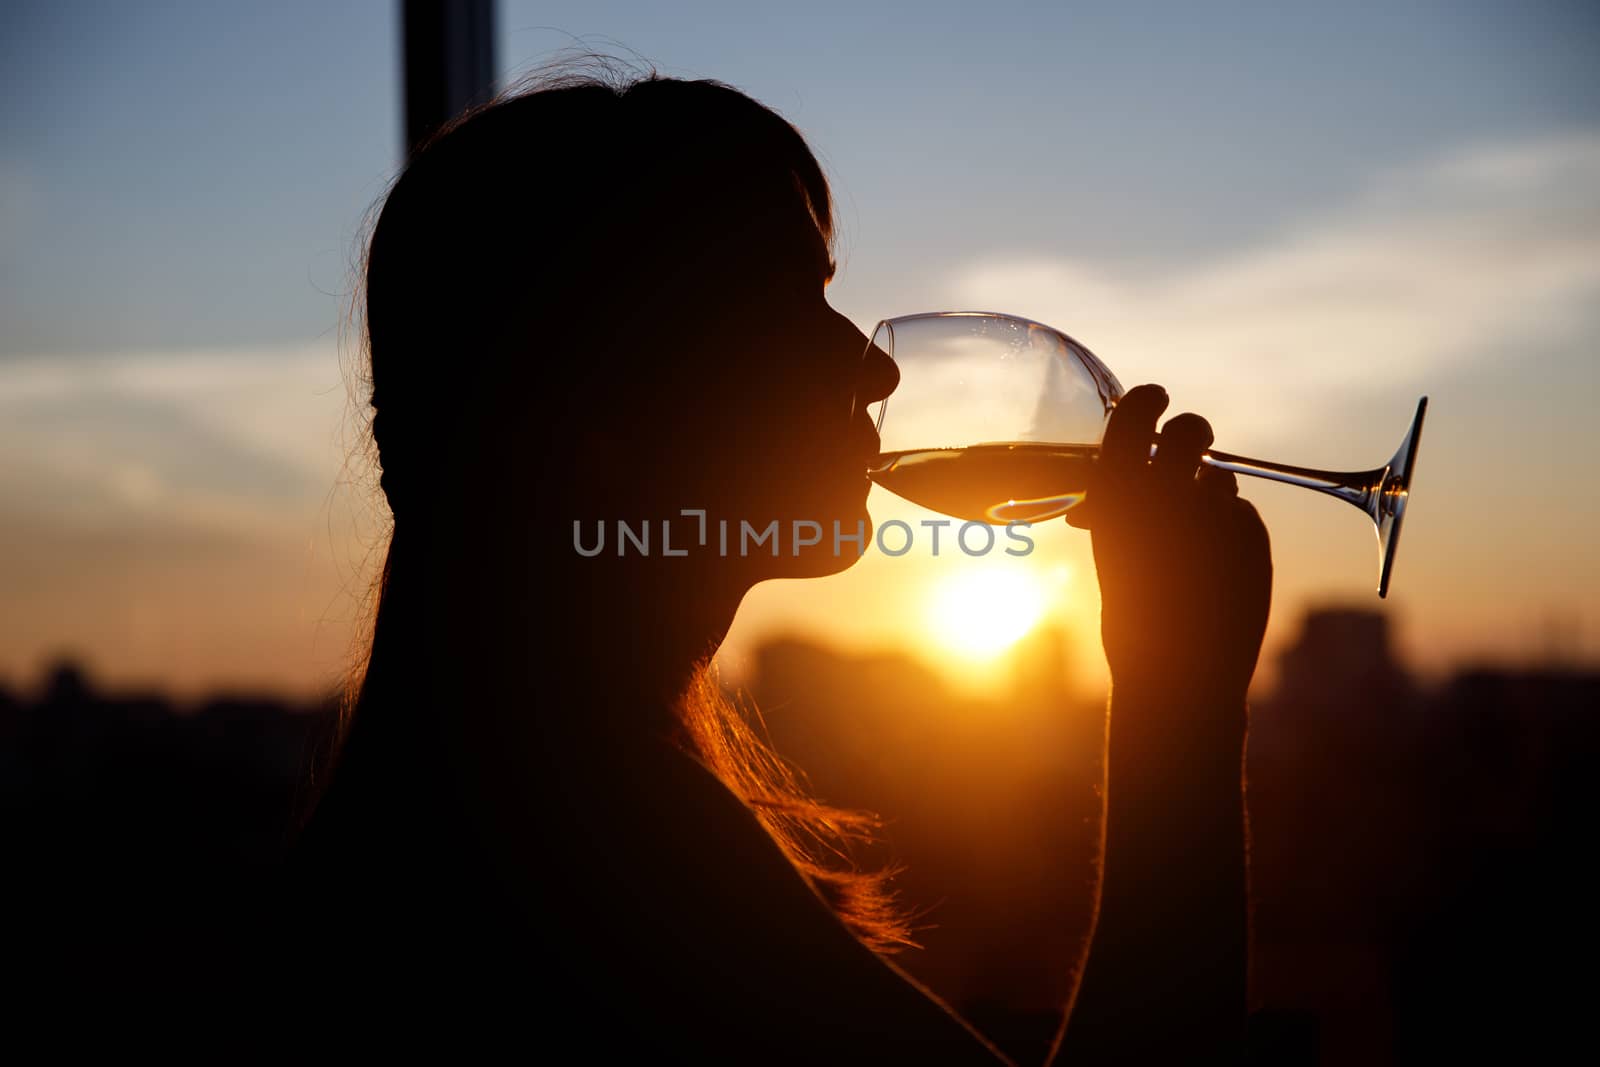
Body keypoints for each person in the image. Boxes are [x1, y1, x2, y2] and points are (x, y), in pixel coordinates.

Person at [261, 68, 1273, 1064]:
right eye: (784, 303)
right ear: (603, 395)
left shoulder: (491, 787)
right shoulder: (586, 838)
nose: (873, 367)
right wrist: (1177, 696)